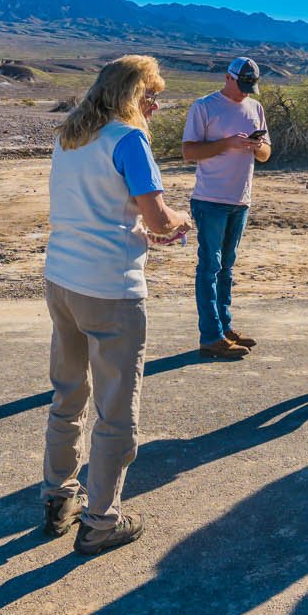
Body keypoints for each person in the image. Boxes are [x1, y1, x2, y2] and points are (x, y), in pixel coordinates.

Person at [43, 55, 193, 556]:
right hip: (110, 288)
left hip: (62, 280)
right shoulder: (129, 140)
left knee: (68, 395)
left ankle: (58, 496)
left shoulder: (71, 135)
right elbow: (156, 214)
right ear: (130, 94)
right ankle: (102, 520)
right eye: (150, 95)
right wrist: (176, 222)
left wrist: (145, 225)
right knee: (116, 413)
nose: (155, 104)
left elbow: (99, 207)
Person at [181, 57, 272, 359]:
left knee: (226, 268)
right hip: (210, 200)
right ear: (227, 77)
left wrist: (258, 146)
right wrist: (227, 143)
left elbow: (266, 155)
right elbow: (188, 152)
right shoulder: (204, 107)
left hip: (240, 200)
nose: (246, 92)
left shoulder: (255, 109)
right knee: (209, 267)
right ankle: (210, 336)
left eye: (250, 87)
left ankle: (223, 328)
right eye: (243, 85)